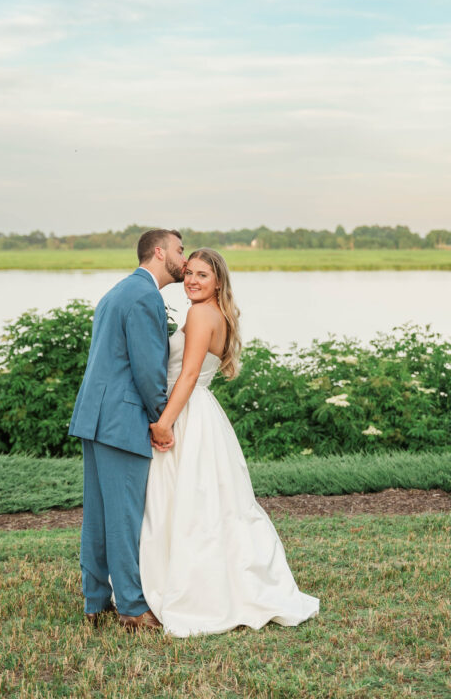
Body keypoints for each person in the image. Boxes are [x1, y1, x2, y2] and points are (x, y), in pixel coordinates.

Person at [140, 248, 319, 636]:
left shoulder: (200, 313)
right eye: (188, 273)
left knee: (182, 503)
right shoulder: (216, 313)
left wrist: (165, 424)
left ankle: (191, 592)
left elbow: (187, 375)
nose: (192, 281)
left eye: (202, 275)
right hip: (201, 413)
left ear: (218, 281)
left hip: (185, 413)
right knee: (205, 503)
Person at [68, 228, 185, 631]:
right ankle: (133, 608)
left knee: (99, 514)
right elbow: (148, 368)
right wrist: (160, 419)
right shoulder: (145, 296)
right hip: (121, 419)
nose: (184, 259)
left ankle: (94, 599)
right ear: (158, 251)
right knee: (124, 516)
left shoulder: (117, 291)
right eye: (179, 250)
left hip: (95, 416)